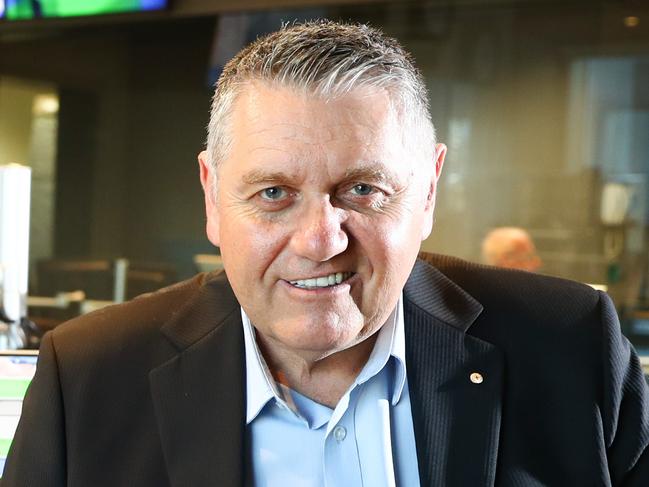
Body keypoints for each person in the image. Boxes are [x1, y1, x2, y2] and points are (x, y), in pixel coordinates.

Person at [4, 21, 649, 487]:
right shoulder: (89, 378)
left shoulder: (570, 345)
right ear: (211, 198)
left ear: (426, 192)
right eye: (274, 193)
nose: (320, 241)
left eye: (364, 190)